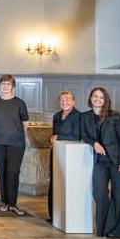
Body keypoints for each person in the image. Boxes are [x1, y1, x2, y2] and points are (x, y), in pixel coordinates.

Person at [81, 88, 120, 239]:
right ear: (90, 98)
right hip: (100, 163)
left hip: (118, 162)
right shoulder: (85, 117)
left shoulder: (115, 116)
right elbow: (84, 134)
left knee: (119, 197)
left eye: (101, 97)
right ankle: (103, 229)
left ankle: (116, 231)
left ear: (106, 100)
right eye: (95, 96)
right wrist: (94, 143)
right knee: (100, 194)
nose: (98, 99)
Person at [0, 74, 29, 216]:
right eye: (3, 83)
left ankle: (13, 204)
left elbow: (25, 123)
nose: (5, 86)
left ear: (13, 86)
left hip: (16, 143)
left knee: (13, 172)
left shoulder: (19, 103)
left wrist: (14, 134)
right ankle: (5, 202)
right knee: (2, 172)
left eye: (9, 84)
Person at [49, 91, 81, 221]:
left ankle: (67, 216)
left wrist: (58, 137)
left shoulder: (79, 116)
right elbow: (53, 135)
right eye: (62, 100)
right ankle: (53, 214)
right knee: (54, 182)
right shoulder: (56, 116)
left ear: (73, 102)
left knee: (67, 184)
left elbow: (77, 136)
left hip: (72, 155)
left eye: (68, 100)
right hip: (57, 152)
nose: (64, 103)